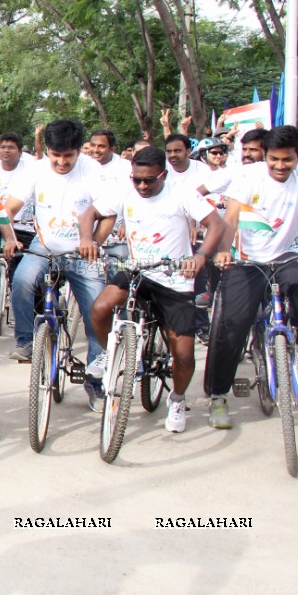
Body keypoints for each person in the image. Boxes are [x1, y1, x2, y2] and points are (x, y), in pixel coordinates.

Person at [77, 146, 224, 433]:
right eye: (137, 180)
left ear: (163, 175)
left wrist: (200, 256)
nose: (142, 186)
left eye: (149, 180)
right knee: (100, 307)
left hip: (174, 278)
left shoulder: (182, 193)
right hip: (137, 271)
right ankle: (111, 353)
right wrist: (88, 239)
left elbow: (215, 224)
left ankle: (178, 399)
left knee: (182, 352)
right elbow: (89, 213)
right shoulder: (125, 191)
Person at [204, 125, 298, 429]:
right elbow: (232, 217)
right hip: (248, 261)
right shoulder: (250, 176)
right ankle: (219, 396)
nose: (279, 165)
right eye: (273, 159)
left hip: (287, 256)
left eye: (287, 160)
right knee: (232, 325)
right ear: (265, 156)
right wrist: (224, 251)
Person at [3, 120, 109, 409]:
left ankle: (96, 381)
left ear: (78, 152)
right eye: (55, 156)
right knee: (22, 280)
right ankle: (25, 340)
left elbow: (109, 213)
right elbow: (7, 210)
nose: (62, 162)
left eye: (69, 156)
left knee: (97, 311)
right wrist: (9, 238)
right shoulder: (34, 171)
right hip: (45, 245)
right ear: (47, 150)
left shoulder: (94, 171)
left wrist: (94, 244)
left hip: (81, 252)